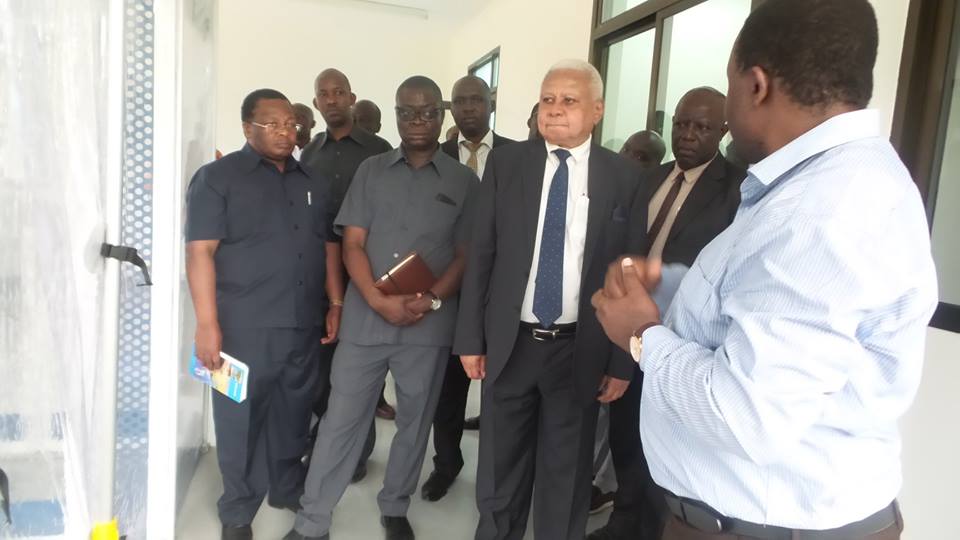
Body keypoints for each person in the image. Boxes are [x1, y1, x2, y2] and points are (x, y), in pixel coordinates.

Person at [592, 1, 938, 539]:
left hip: (763, 527)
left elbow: (745, 416)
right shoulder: (825, 184)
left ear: (755, 85)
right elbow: (764, 308)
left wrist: (640, 333)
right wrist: (675, 286)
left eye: (728, 88)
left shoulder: (821, 213)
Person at [455, 59, 642, 540]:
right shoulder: (508, 163)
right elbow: (482, 253)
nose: (555, 110)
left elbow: (629, 275)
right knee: (498, 473)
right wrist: (470, 338)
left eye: (569, 100)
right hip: (510, 343)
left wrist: (622, 361)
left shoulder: (622, 176)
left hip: (578, 348)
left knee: (567, 475)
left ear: (597, 110)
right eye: (547, 99)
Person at [286, 76, 478, 540]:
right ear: (395, 116)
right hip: (366, 322)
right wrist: (374, 299)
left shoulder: (464, 181)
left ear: (441, 115)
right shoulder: (370, 171)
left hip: (428, 325)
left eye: (428, 111)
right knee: (340, 421)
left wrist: (432, 299)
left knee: (415, 421)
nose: (417, 121)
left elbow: (465, 254)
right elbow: (352, 242)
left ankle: (394, 505)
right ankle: (313, 521)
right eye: (407, 112)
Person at [589, 87, 745, 540]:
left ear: (723, 131)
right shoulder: (649, 178)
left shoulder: (735, 189)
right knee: (624, 432)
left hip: (684, 341)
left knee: (662, 444)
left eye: (701, 127)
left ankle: (651, 529)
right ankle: (622, 520)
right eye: (681, 124)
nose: (688, 135)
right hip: (625, 334)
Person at [185, 89, 334, 540]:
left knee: (294, 414)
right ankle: (237, 510)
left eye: (290, 123)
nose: (285, 132)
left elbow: (327, 247)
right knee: (239, 421)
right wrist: (207, 325)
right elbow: (200, 253)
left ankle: (286, 487)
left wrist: (337, 302)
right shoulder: (217, 178)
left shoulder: (311, 181)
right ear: (247, 127)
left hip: (303, 325)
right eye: (272, 124)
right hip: (241, 328)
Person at [420, 75, 516, 503]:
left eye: (476, 99)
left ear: (491, 102)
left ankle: (501, 477)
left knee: (504, 388)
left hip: (506, 292)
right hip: (450, 290)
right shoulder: (433, 157)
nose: (469, 108)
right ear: (450, 108)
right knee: (448, 387)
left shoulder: (520, 156)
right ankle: (447, 463)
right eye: (460, 101)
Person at [300, 68, 396, 481]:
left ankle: (357, 455)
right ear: (317, 102)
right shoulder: (311, 152)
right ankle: (326, 443)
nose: (332, 99)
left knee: (361, 374)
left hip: (365, 275)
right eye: (324, 94)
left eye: (339, 92)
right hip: (319, 277)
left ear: (351, 98)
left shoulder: (379, 149)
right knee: (321, 370)